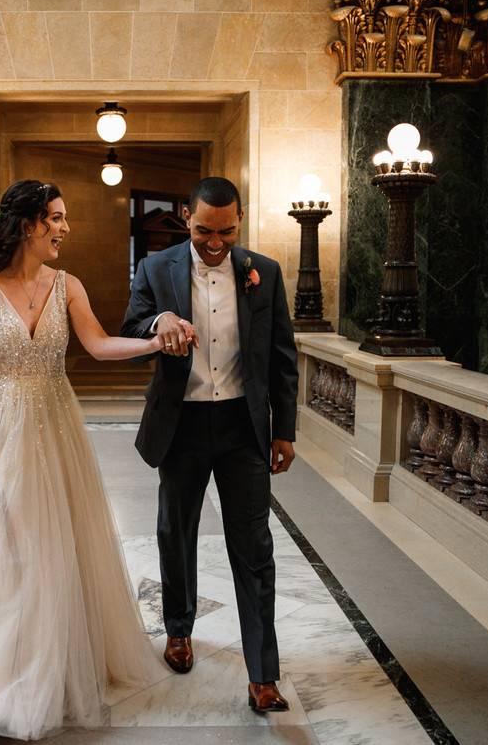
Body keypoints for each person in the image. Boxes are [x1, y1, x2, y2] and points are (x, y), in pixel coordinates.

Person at [0, 179, 178, 740]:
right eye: (55, 218)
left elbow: (101, 344)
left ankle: (46, 673)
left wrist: (155, 343)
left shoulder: (68, 285)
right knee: (6, 542)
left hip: (56, 428)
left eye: (64, 217)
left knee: (51, 546)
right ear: (27, 223)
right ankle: (4, 676)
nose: (64, 227)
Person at [120, 176, 299, 714]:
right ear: (185, 217)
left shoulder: (262, 272)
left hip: (244, 428)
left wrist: (284, 430)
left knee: (255, 549)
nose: (215, 242)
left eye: (226, 231)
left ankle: (263, 674)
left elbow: (284, 357)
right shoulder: (157, 267)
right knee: (176, 533)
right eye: (203, 231)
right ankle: (179, 629)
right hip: (182, 425)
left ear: (239, 221)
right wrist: (159, 320)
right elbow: (129, 328)